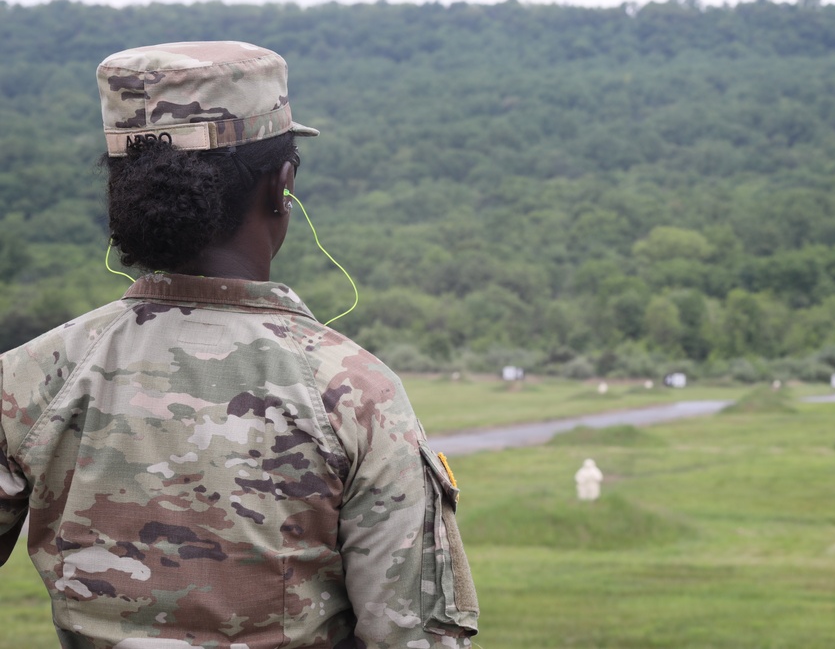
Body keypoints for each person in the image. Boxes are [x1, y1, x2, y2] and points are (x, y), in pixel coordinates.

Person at [0, 41, 478, 649]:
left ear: (123, 195)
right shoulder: (354, 393)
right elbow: (415, 636)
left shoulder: (27, 377)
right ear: (282, 186)